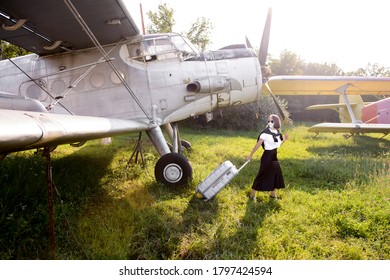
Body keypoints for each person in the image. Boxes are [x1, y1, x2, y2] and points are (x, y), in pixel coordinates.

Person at [247, 114, 288, 201]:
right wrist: (250, 155)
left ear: (276, 122)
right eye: (268, 121)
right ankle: (252, 195)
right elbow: (258, 144)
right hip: (267, 157)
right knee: (261, 175)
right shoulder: (265, 133)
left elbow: (277, 144)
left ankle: (273, 195)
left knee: (275, 175)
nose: (269, 123)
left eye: (271, 121)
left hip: (274, 157)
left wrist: (284, 139)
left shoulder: (277, 132)